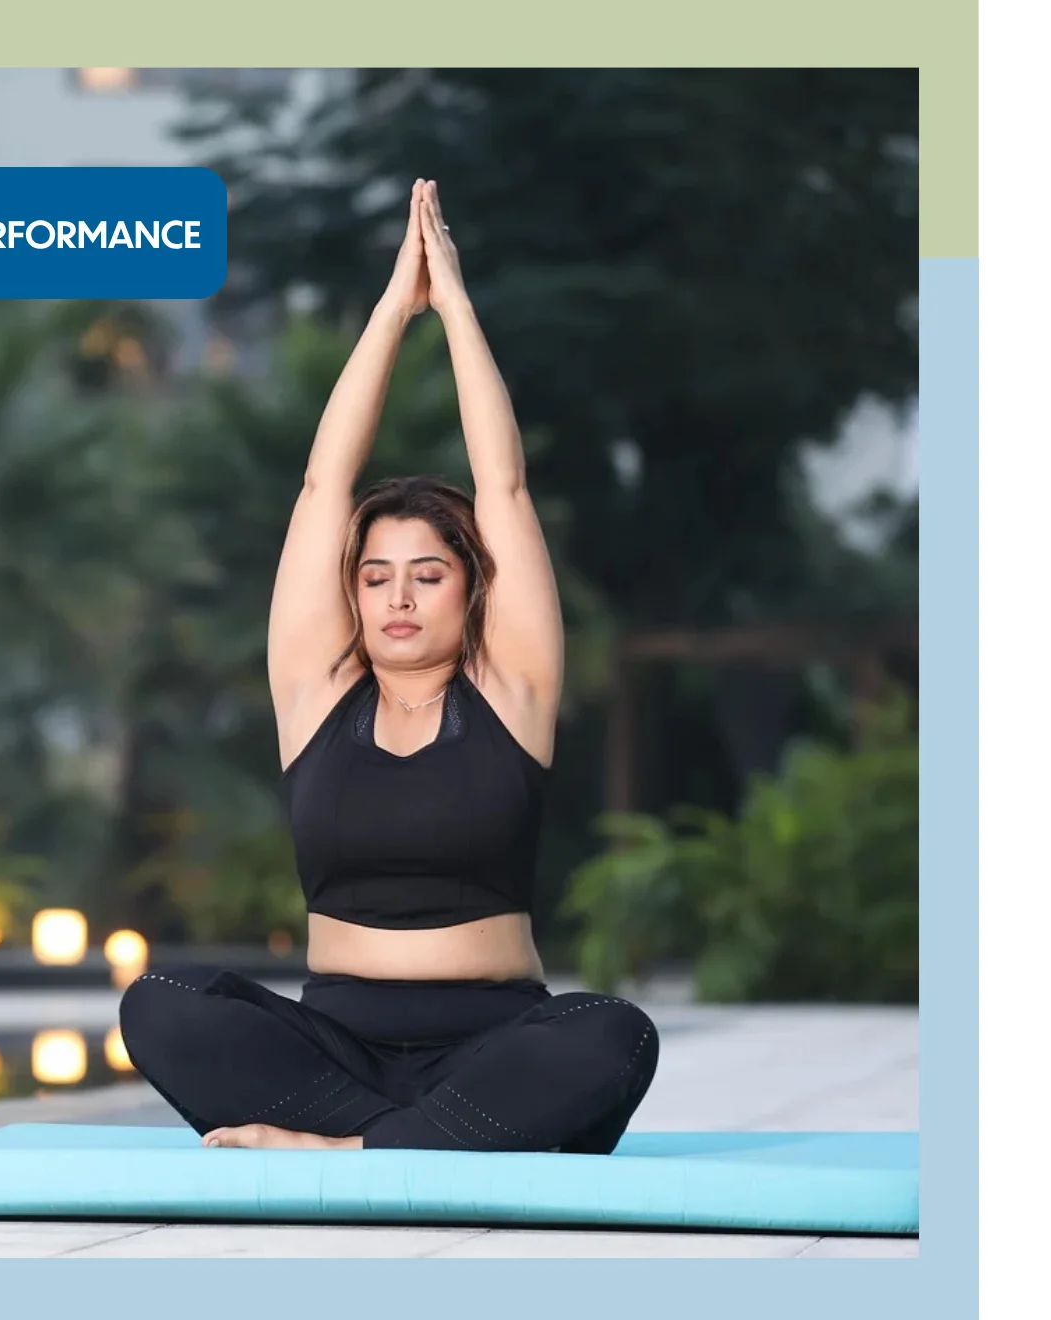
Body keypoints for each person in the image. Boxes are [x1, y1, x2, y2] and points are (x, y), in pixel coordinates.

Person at [118, 181, 659, 1153]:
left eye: (427, 575)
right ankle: (426, 1147)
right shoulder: (314, 695)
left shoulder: (512, 693)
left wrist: (454, 307)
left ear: (470, 590)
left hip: (493, 1044)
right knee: (159, 1001)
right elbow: (324, 482)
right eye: (376, 577)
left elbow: (504, 486)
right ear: (354, 594)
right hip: (336, 1053)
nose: (398, 597)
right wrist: (389, 310)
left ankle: (358, 1154)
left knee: (613, 1036)